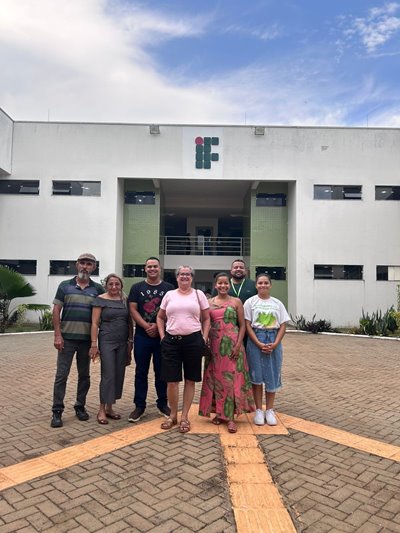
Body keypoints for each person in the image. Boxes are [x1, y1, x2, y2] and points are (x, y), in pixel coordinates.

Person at [50, 253, 104, 428]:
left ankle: (80, 406)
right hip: (67, 339)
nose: (85, 267)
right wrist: (57, 335)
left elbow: (103, 314)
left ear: (94, 267)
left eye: (89, 264)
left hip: (86, 341)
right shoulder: (65, 286)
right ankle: (57, 411)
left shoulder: (97, 289)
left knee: (84, 375)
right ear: (76, 265)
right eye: (82, 263)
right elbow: (56, 311)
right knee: (61, 376)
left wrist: (96, 343)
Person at [157, 265, 210, 433]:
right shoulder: (169, 295)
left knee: (190, 379)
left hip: (193, 340)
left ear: (192, 278)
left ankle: (185, 416)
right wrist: (162, 336)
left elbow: (207, 319)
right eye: (181, 274)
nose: (185, 277)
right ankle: (173, 415)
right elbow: (160, 317)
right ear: (177, 277)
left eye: (188, 274)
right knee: (172, 381)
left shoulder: (198, 294)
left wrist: (204, 337)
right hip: (171, 341)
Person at [199, 272, 255, 433]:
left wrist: (238, 345)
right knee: (216, 380)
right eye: (220, 283)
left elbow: (243, 325)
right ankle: (219, 413)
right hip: (215, 347)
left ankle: (230, 417)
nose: (223, 286)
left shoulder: (236, 301)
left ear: (229, 285)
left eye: (225, 283)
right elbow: (204, 323)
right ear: (215, 285)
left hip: (232, 346)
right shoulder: (208, 303)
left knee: (231, 381)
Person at [128, 257, 174, 422]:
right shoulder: (137, 288)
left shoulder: (169, 288)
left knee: (162, 372)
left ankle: (163, 403)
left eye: (155, 266)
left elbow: (172, 310)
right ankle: (139, 406)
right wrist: (147, 326)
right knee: (141, 372)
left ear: (159, 268)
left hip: (162, 336)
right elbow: (133, 310)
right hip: (142, 336)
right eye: (149, 266)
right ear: (145, 269)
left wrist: (157, 326)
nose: (152, 269)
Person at [244, 274, 290, 426]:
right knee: (256, 376)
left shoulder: (277, 303)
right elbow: (247, 324)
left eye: (266, 283)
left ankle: (269, 410)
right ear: (256, 285)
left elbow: (283, 324)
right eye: (260, 283)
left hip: (273, 337)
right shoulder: (250, 302)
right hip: (256, 339)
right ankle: (258, 410)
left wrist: (276, 343)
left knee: (272, 374)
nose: (263, 285)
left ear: (270, 285)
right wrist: (257, 343)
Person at [90, 274, 133, 424]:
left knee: (118, 374)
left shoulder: (124, 300)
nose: (114, 287)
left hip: (122, 342)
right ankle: (101, 410)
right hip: (106, 341)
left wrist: (130, 342)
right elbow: (95, 323)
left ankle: (109, 407)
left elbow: (129, 322)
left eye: (117, 284)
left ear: (121, 285)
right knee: (107, 374)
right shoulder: (100, 299)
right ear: (106, 285)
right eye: (111, 284)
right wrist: (94, 344)